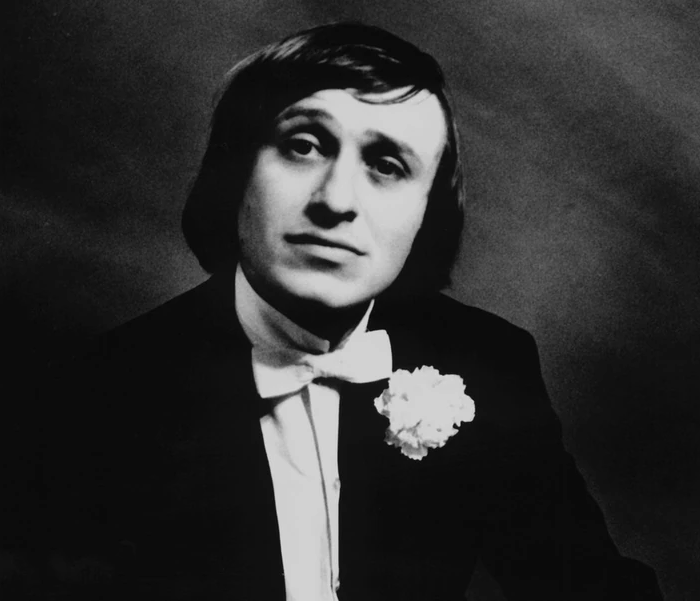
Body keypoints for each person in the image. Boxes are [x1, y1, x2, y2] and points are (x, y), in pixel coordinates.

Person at [38, 22, 663, 601]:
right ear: (236, 170)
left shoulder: (487, 363)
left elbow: (589, 586)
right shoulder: (101, 391)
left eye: (387, 165)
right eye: (303, 145)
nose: (336, 200)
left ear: (427, 213)